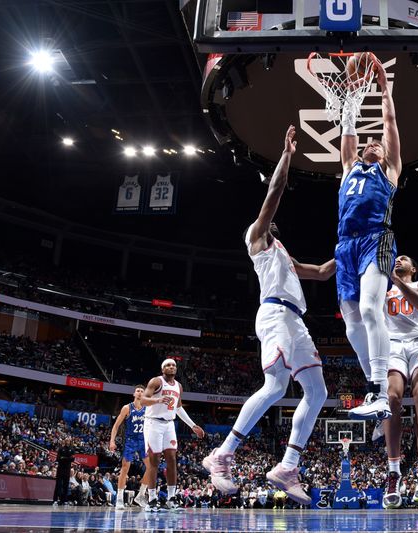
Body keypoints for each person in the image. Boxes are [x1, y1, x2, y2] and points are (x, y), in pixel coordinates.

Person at [204, 125, 333, 506]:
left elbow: (323, 272)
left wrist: (353, 249)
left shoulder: (285, 255)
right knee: (275, 386)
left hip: (293, 319)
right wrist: (287, 155)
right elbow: (274, 194)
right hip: (276, 314)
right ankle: (222, 455)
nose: (270, 219)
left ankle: (287, 465)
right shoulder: (257, 238)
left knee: (315, 391)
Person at [336, 56, 403, 420]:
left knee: (368, 308)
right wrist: (350, 87)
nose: (375, 144)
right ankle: (373, 389)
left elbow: (389, 122)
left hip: (376, 239)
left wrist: (382, 84)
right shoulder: (349, 167)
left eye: (379, 144)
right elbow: (347, 127)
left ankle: (379, 387)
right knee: (351, 324)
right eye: (370, 142)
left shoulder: (389, 171)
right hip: (345, 245)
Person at [381, 255, 418, 508]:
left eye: (404, 258)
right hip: (392, 345)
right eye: (396, 257)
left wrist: (398, 283)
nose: (398, 259)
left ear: (413, 268)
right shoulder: (383, 289)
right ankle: (394, 473)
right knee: (392, 398)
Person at [139, 358, 205, 512]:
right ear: (163, 369)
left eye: (174, 365)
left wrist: (192, 425)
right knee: (154, 461)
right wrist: (158, 400)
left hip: (169, 424)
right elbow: (143, 400)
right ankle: (152, 499)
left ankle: (171, 498)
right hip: (153, 423)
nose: (171, 367)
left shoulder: (179, 386)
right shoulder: (156, 381)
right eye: (168, 365)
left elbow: (178, 408)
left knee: (172, 460)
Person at [108, 384, 148, 509]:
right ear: (134, 394)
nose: (140, 392)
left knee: (152, 467)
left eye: (142, 391)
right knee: (125, 469)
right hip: (130, 440)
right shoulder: (127, 408)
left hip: (143, 440)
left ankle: (140, 495)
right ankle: (119, 499)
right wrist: (112, 441)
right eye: (138, 391)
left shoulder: (148, 409)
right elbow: (116, 425)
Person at [52, 438, 76, 506]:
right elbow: (58, 458)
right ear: (64, 441)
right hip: (60, 469)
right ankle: (55, 500)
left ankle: (64, 501)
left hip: (67, 470)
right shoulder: (60, 449)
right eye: (66, 440)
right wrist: (68, 458)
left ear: (70, 441)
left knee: (66, 486)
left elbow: (73, 459)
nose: (67, 441)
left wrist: (64, 458)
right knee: (58, 485)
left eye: (68, 440)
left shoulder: (72, 449)